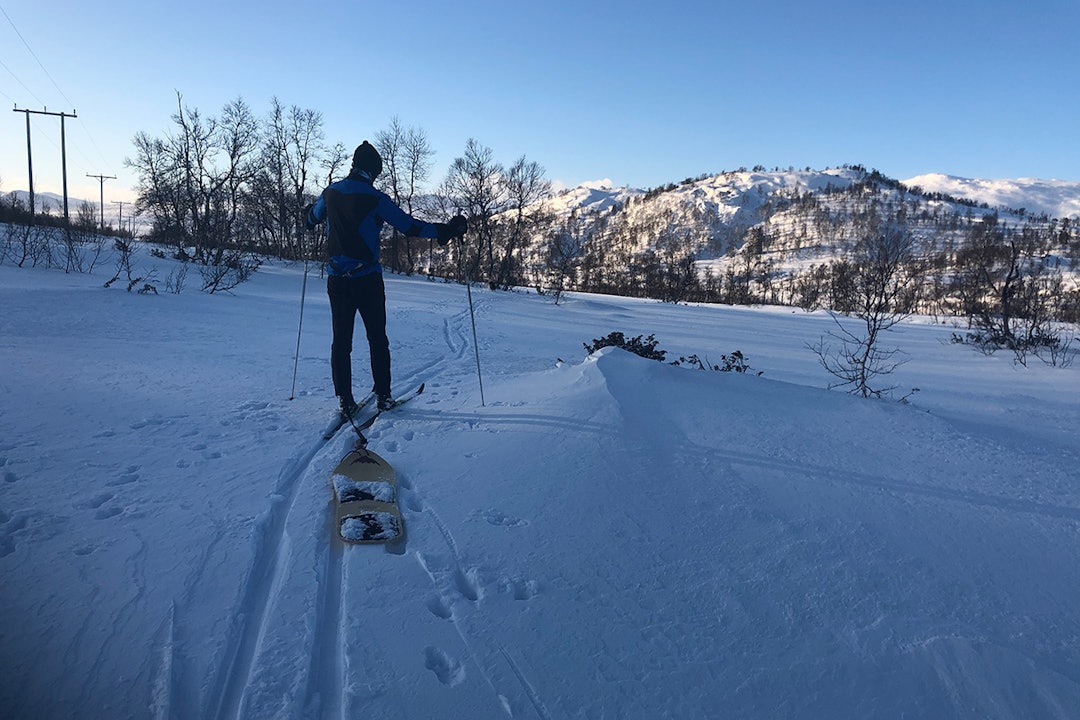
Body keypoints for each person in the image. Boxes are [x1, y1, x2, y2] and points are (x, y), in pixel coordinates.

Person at [305, 140, 467, 420]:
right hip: (367, 279)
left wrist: (309, 214)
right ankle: (383, 396)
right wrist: (446, 230)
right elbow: (410, 227)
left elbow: (312, 218)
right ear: (373, 170)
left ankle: (345, 401)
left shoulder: (330, 192)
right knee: (377, 339)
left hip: (337, 280)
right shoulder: (376, 198)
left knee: (341, 342)